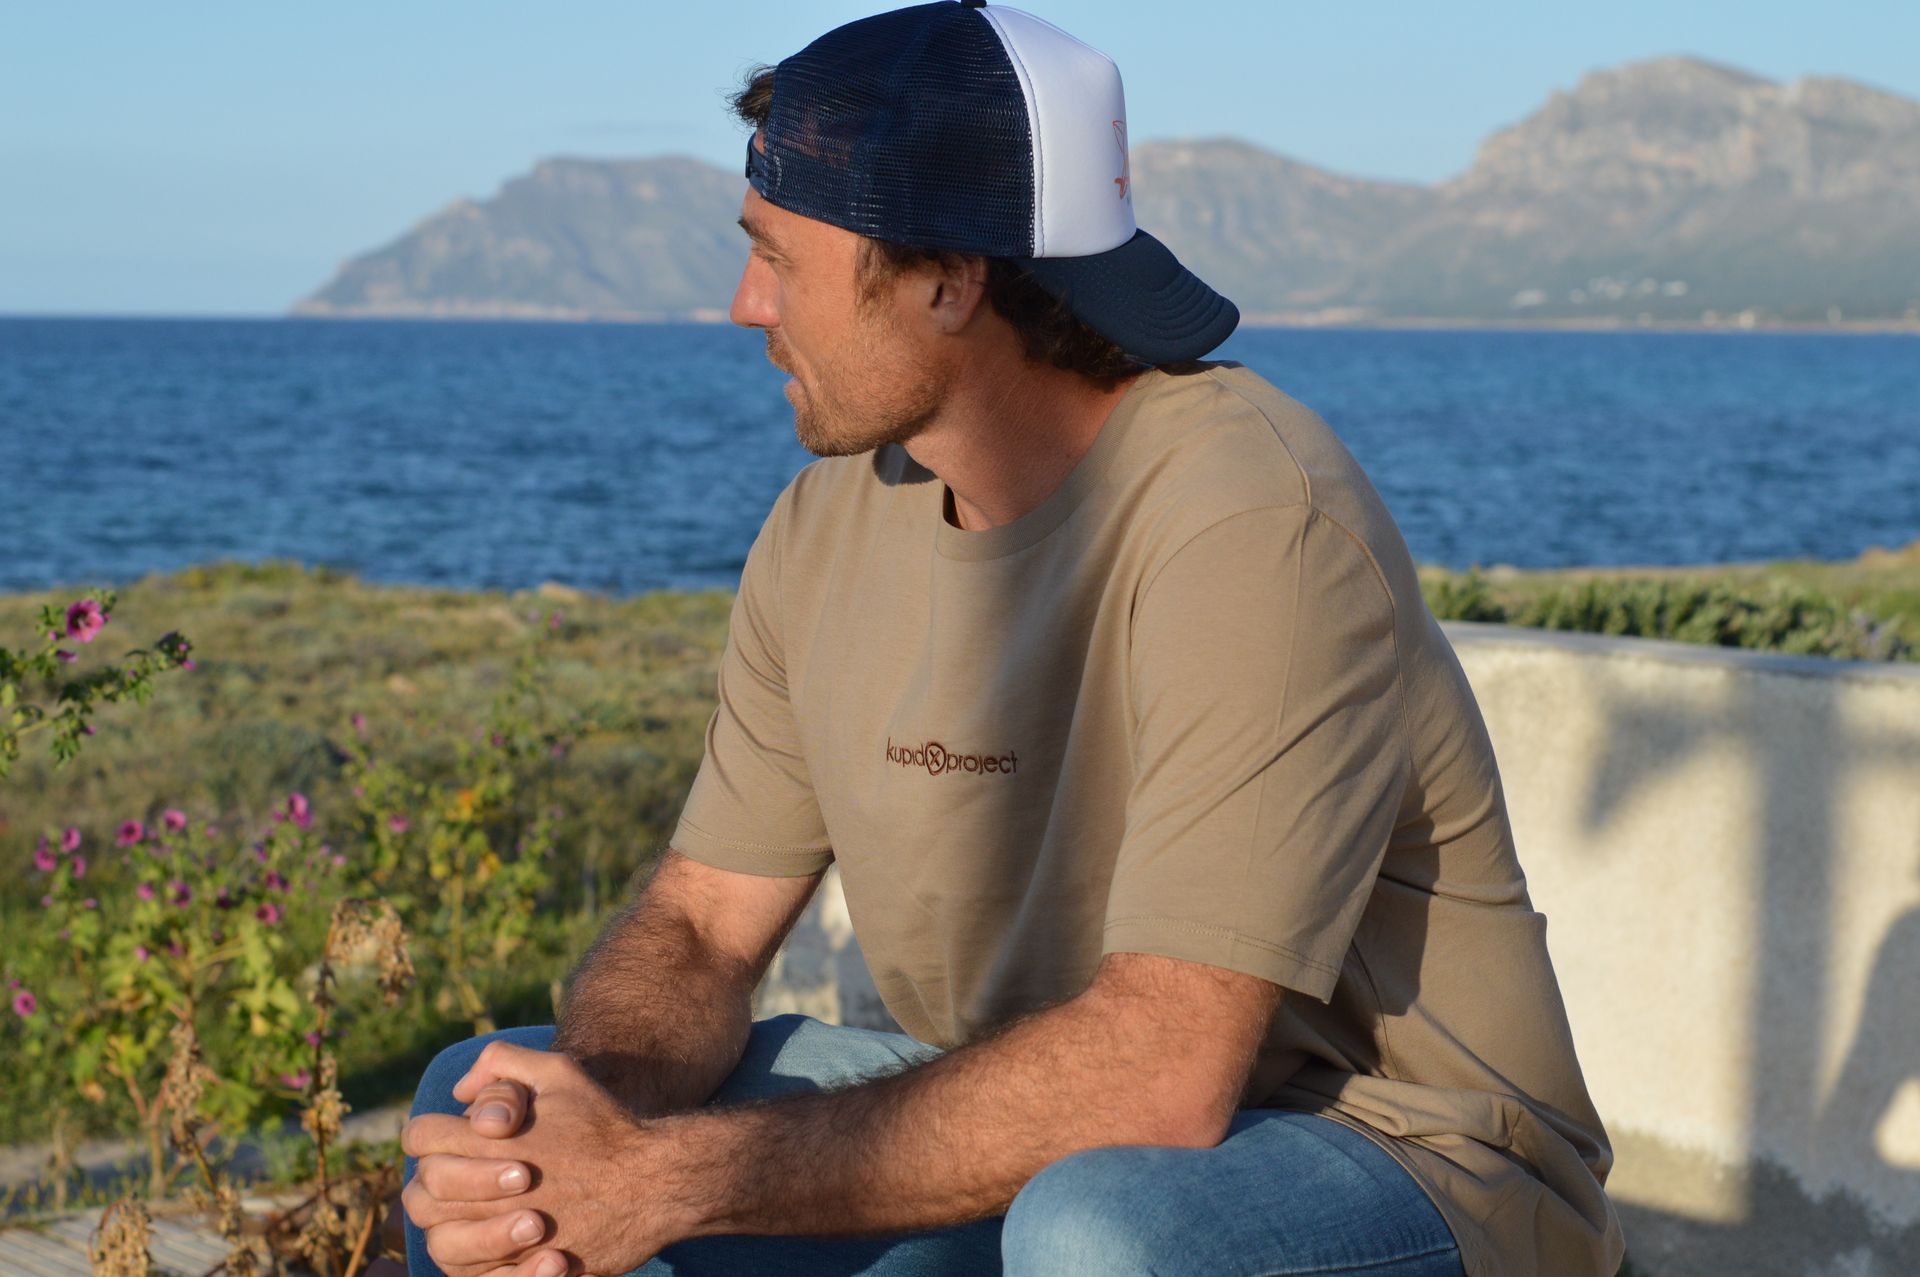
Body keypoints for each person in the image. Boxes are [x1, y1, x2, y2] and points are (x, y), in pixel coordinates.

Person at [395, 3, 1627, 1275]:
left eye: (779, 256)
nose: (743, 304)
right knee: (482, 1104)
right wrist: (580, 1124)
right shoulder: (827, 521)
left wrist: (663, 1179)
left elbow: (1161, 1073)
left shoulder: (1253, 522)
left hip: (1403, 1165)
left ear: (949, 276)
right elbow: (704, 924)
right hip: (1045, 1130)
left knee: (1098, 1233)